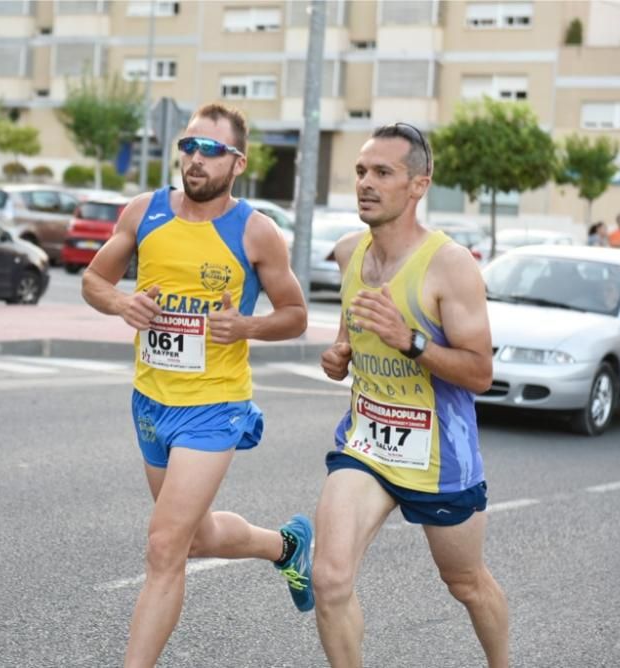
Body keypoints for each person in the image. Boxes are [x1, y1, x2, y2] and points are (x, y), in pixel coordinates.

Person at [82, 103, 313, 667]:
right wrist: (120, 301)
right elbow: (93, 279)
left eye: (210, 150)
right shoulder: (143, 213)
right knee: (194, 535)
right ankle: (286, 545)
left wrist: (248, 326)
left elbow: (297, 315)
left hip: (214, 406)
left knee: (164, 547)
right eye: (188, 145)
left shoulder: (256, 232)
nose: (195, 158)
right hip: (152, 401)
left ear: (238, 163)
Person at [315, 123, 509, 667]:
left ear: (418, 185)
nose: (365, 184)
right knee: (329, 579)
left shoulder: (450, 266)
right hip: (366, 444)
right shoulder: (350, 252)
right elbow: (347, 340)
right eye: (360, 172)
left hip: (439, 457)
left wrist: (411, 340)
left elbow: (479, 374)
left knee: (466, 582)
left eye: (382, 173)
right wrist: (338, 356)